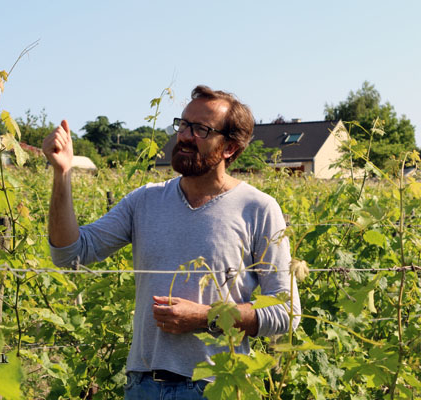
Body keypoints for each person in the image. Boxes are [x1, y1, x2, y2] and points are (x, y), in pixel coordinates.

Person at [42, 85, 301, 400]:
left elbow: (286, 313)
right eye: (184, 124)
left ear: (230, 148)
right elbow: (70, 253)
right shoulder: (146, 200)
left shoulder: (258, 208)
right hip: (143, 385)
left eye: (201, 129)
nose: (185, 136)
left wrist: (206, 316)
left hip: (216, 386)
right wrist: (62, 174)